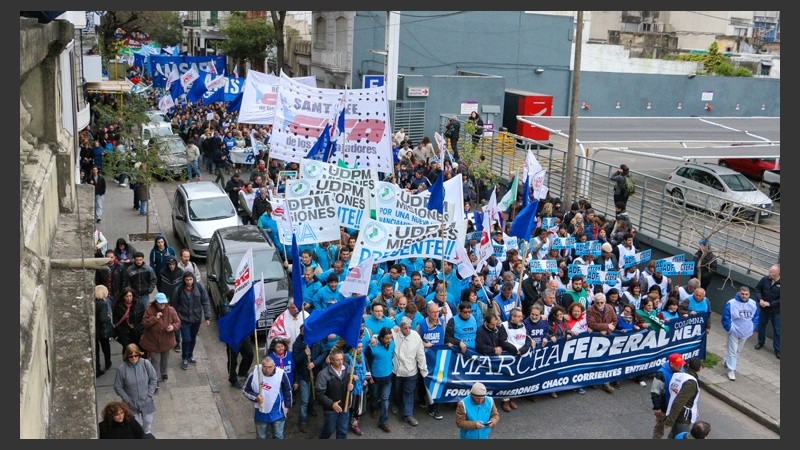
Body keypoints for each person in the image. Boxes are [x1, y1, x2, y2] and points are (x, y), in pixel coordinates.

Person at [243, 356, 293, 439]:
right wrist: (255, 397)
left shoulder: (281, 374)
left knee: (279, 436)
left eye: (270, 367)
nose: (267, 370)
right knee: (261, 437)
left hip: (278, 412)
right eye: (265, 367)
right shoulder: (255, 374)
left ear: (274, 366)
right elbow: (245, 390)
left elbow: (287, 390)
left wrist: (287, 406)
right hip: (260, 412)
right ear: (262, 366)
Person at [170, 271, 211, 370]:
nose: (189, 282)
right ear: (184, 280)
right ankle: (184, 357)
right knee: (186, 339)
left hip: (196, 319)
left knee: (192, 339)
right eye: (187, 280)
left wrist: (207, 317)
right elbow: (174, 304)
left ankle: (190, 355)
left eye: (191, 279)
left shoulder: (199, 288)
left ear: (193, 279)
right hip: (183, 319)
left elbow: (205, 302)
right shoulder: (179, 289)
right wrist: (174, 318)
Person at [113, 343, 158, 435]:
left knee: (148, 423)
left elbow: (153, 379)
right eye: (131, 356)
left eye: (136, 355)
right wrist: (127, 400)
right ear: (126, 356)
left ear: (139, 354)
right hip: (131, 404)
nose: (134, 358)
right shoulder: (122, 369)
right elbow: (118, 386)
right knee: (136, 426)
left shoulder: (146, 364)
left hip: (146, 401)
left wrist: (149, 395)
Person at [392, 317, 428, 427]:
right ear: (400, 327)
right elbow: (381, 335)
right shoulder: (395, 333)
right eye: (404, 328)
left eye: (409, 327)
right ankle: (396, 404)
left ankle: (408, 414)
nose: (407, 330)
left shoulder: (416, 336)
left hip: (411, 371)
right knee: (397, 390)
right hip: (396, 371)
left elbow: (420, 354)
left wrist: (423, 369)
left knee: (408, 393)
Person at [139, 292, 180, 388]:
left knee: (164, 359)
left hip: (166, 341)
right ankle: (155, 380)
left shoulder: (171, 310)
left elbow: (177, 322)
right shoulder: (149, 310)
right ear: (156, 302)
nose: (162, 305)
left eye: (164, 303)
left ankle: (164, 372)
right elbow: (144, 324)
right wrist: (154, 318)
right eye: (160, 303)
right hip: (153, 342)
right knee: (155, 361)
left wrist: (173, 327)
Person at [721, 286, 759, 380]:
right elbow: (726, 317)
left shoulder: (753, 303)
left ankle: (727, 361)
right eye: (742, 294)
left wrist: (752, 328)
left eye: (746, 294)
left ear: (749, 294)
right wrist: (730, 328)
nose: (744, 296)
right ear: (739, 293)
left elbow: (756, 317)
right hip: (734, 331)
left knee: (737, 350)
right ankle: (731, 370)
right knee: (733, 350)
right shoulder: (731, 303)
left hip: (746, 332)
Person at [315, 348, 354, 439]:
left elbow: (351, 381)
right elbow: (319, 394)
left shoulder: (347, 368)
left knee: (343, 429)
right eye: (337, 360)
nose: (341, 362)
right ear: (331, 360)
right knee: (329, 429)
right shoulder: (323, 374)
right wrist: (332, 404)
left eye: (342, 359)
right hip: (331, 409)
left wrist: (351, 385)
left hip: (345, 405)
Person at [365, 327, 395, 432]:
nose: (389, 340)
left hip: (388, 377)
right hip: (375, 379)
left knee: (385, 400)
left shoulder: (392, 343)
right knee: (374, 396)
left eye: (390, 338)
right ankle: (373, 408)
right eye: (387, 338)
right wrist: (369, 377)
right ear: (381, 338)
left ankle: (383, 422)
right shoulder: (371, 347)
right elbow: (366, 363)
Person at [663, 357, 702, 439]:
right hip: (682, 418)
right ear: (699, 369)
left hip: (675, 413)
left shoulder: (680, 376)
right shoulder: (691, 382)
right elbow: (679, 401)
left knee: (673, 436)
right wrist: (669, 421)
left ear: (687, 365)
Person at [650, 353, 686, 439]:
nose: (680, 367)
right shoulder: (661, 374)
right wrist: (657, 408)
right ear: (671, 364)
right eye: (678, 365)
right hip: (664, 407)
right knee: (659, 427)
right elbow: (655, 392)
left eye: (681, 364)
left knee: (675, 428)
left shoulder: (682, 370)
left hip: (676, 407)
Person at [753, 264, 780, 360]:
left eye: (771, 272)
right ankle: (761, 342)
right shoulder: (765, 279)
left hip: (776, 311)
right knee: (761, 326)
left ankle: (778, 349)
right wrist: (760, 300)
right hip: (764, 309)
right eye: (769, 271)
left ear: (777, 273)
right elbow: (757, 289)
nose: (769, 273)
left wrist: (770, 304)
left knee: (777, 330)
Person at [95, 285, 114, 377]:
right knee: (105, 347)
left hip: (95, 330)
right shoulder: (102, 304)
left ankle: (97, 368)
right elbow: (103, 318)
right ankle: (107, 362)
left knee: (96, 350)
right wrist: (108, 319)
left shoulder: (94, 302)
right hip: (102, 330)